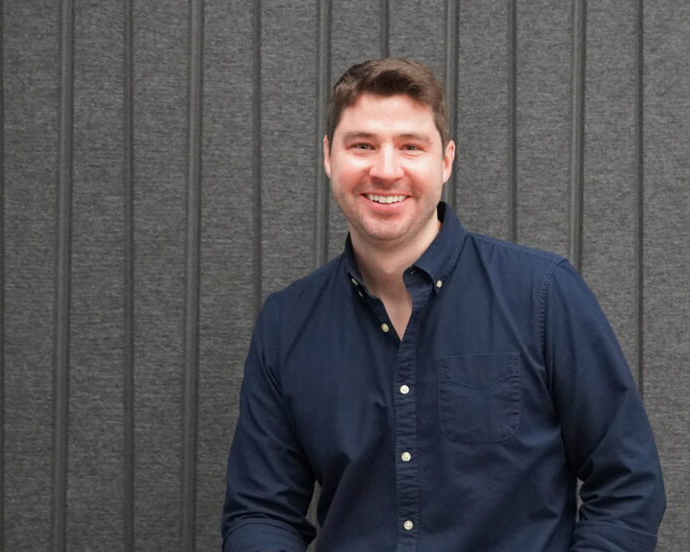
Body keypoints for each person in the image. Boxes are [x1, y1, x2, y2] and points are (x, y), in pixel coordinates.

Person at [222, 57, 665, 552]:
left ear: (446, 160)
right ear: (329, 156)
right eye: (362, 145)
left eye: (410, 147)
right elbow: (262, 512)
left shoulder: (543, 293)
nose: (385, 170)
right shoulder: (288, 323)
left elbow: (628, 481)